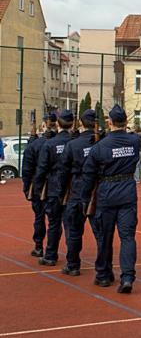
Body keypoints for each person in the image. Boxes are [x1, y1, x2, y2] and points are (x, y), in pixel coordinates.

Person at [79, 105, 141, 293]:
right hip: (128, 190)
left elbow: (89, 174)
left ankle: (103, 274)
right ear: (126, 122)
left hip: (107, 192)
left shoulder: (100, 146)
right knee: (128, 237)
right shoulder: (135, 141)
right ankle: (128, 277)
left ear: (110, 122)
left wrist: (85, 198)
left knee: (105, 237)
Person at [60, 109, 102, 276]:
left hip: (77, 189)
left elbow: (64, 171)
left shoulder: (73, 144)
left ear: (82, 123)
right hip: (96, 191)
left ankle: (73, 264)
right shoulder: (101, 142)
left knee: (74, 231)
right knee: (100, 234)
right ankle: (102, 269)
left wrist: (62, 192)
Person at [32, 109, 75, 266]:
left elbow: (42, 169)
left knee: (54, 223)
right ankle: (72, 259)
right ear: (73, 123)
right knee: (70, 225)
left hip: (54, 187)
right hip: (72, 187)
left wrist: (37, 188)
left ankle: (51, 254)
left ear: (58, 124)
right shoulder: (75, 142)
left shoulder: (50, 144)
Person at [22, 113, 56, 257]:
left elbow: (27, 168)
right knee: (55, 220)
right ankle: (51, 249)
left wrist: (26, 187)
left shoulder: (36, 144)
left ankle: (38, 246)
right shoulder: (61, 142)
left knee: (39, 217)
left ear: (44, 125)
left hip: (39, 183)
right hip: (56, 184)